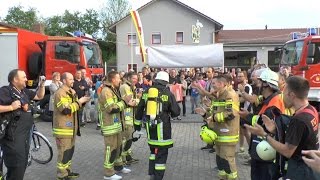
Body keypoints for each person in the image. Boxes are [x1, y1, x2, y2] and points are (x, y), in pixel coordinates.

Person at [245, 76, 319, 180]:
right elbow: (301, 138)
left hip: (301, 171)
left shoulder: (299, 120)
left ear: (291, 95)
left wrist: (265, 135)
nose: (282, 97)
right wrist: (276, 130)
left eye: (284, 93)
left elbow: (287, 151)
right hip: (309, 168)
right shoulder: (311, 110)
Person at [239, 69, 285, 180]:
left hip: (265, 155)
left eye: (259, 82)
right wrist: (248, 115)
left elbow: (263, 124)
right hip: (262, 152)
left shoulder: (273, 103)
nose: (256, 85)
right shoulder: (269, 99)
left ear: (267, 85)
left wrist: (248, 116)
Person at [134, 71, 180, 180]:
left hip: (150, 129)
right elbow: (176, 112)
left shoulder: (146, 92)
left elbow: (139, 110)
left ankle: (152, 174)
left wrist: (137, 127)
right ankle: (158, 177)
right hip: (163, 129)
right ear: (166, 82)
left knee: (153, 152)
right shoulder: (168, 94)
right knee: (161, 156)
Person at [0, 69, 45, 180]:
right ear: (15, 79)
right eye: (24, 77)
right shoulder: (6, 91)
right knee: (17, 167)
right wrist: (11, 107)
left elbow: (39, 96)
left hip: (24, 137)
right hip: (12, 138)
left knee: (22, 165)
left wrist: (42, 85)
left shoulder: (24, 91)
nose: (26, 79)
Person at [197, 75, 240, 180]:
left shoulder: (230, 95)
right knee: (220, 160)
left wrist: (214, 118)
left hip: (228, 134)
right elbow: (214, 113)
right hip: (219, 134)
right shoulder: (218, 96)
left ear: (221, 84)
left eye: (214, 83)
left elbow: (230, 114)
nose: (212, 85)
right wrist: (205, 114)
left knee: (227, 160)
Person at [53, 72, 90, 180]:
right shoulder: (60, 93)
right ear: (64, 80)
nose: (73, 81)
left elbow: (75, 107)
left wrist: (83, 102)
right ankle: (61, 175)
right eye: (70, 79)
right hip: (63, 129)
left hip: (71, 129)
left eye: (73, 79)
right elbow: (66, 110)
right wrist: (79, 102)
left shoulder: (71, 91)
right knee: (63, 152)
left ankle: (67, 171)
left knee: (69, 152)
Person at [99, 71, 135, 180]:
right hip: (109, 126)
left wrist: (126, 103)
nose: (120, 80)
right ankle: (108, 173)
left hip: (116, 125)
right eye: (118, 78)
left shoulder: (113, 90)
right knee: (111, 149)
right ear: (113, 79)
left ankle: (118, 167)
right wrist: (125, 102)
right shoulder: (106, 91)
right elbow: (112, 108)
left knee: (118, 147)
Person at [119, 72, 141, 165]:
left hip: (131, 116)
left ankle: (128, 157)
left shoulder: (132, 87)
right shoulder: (125, 87)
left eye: (136, 79)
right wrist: (139, 99)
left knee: (130, 137)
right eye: (133, 78)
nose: (135, 80)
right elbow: (129, 102)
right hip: (126, 116)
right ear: (128, 78)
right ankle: (123, 159)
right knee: (126, 138)